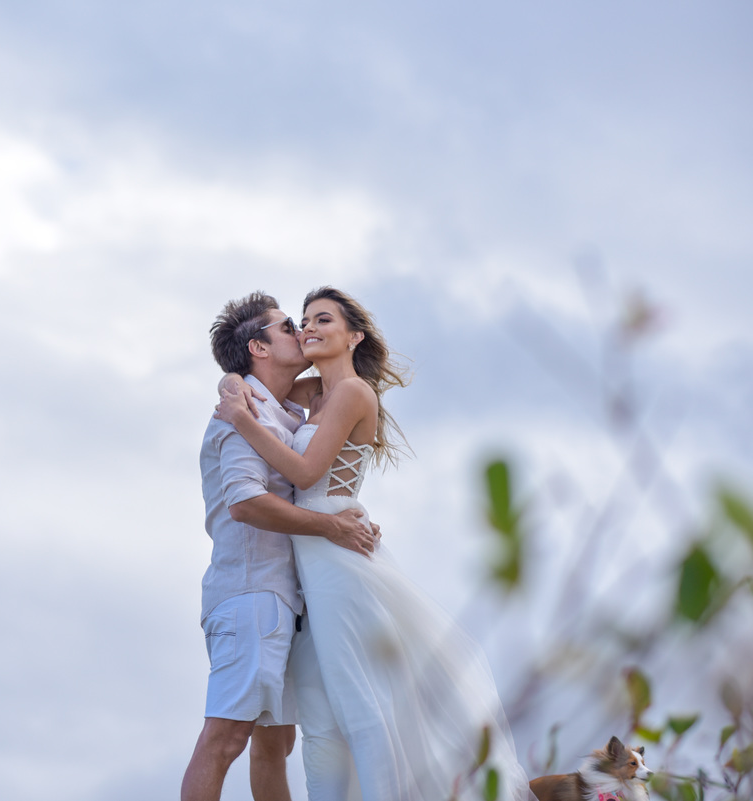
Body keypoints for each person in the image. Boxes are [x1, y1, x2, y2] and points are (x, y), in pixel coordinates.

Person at [216, 287, 531, 801]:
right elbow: (256, 381)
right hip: (309, 562)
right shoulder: (310, 391)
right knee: (319, 719)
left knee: (359, 707)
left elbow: (304, 470)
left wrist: (242, 420)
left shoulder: (354, 393)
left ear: (353, 335)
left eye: (323, 319)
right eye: (303, 320)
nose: (309, 328)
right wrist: (232, 382)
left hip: (339, 560)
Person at [183, 292, 381, 801]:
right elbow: (245, 503)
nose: (302, 331)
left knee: (277, 743)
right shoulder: (240, 416)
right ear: (260, 348)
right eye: (289, 325)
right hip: (252, 594)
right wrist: (331, 526)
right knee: (225, 737)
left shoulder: (288, 407)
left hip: (289, 597)